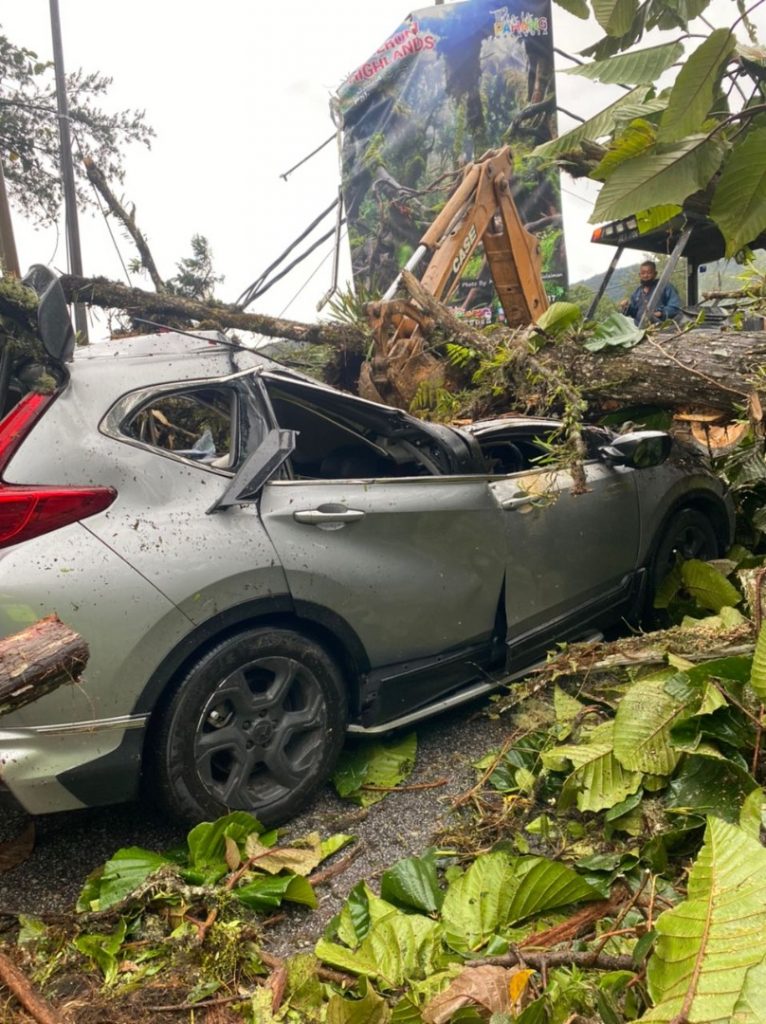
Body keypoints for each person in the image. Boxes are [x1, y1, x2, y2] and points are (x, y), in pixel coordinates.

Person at [621, 261, 682, 326]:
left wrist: (661, 313)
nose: (645, 276)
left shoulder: (664, 287)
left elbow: (675, 307)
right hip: (640, 328)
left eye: (649, 273)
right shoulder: (636, 293)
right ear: (639, 275)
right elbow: (634, 312)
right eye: (643, 273)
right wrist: (627, 307)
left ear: (655, 274)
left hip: (661, 328)